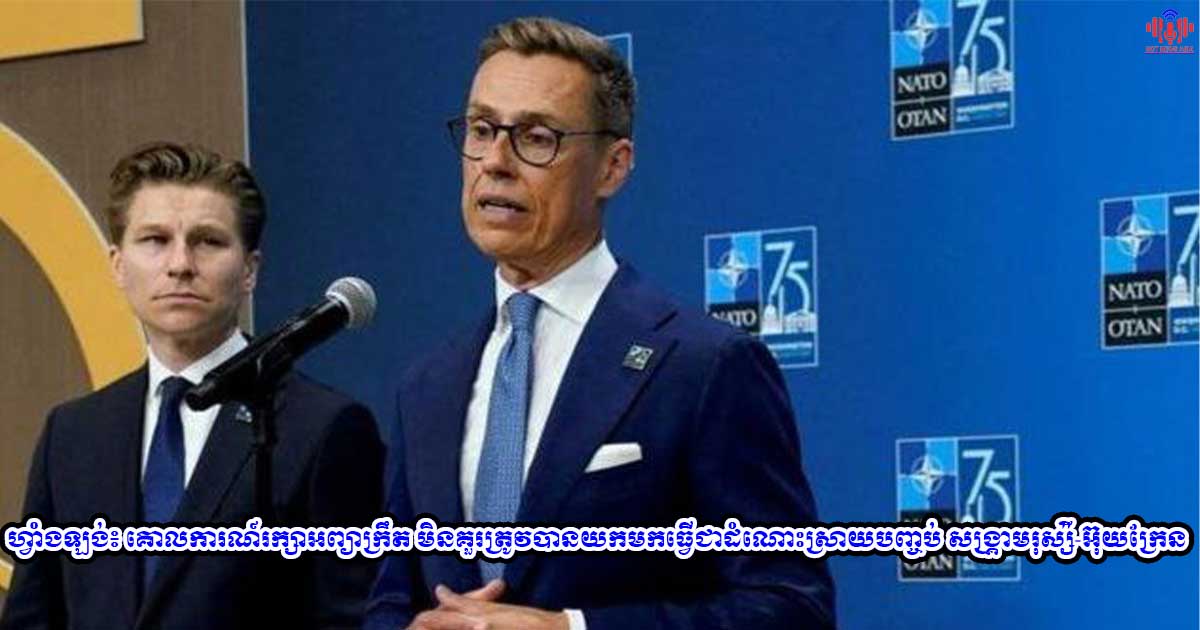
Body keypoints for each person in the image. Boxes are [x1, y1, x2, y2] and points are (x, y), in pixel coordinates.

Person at [366, 17, 834, 630]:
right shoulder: (427, 386)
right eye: (481, 130)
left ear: (612, 166)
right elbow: (393, 600)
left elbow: (790, 605)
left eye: (536, 138)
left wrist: (570, 628)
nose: (496, 162)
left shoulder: (704, 365)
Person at [0, 142, 384, 630]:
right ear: (117, 264)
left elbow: (349, 618)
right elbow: (32, 619)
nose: (180, 263)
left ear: (249, 270)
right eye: (155, 240)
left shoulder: (321, 427)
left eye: (207, 241)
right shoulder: (73, 433)